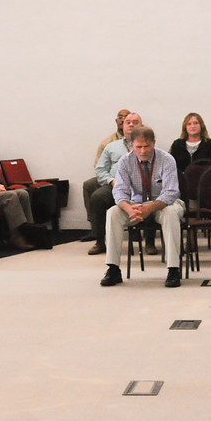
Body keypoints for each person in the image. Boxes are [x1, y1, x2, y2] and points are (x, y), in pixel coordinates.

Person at [100, 126, 186, 288]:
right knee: (113, 212)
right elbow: (119, 192)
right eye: (138, 147)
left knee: (170, 213)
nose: (143, 150)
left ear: (154, 143)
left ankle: (173, 269)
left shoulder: (166, 159)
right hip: (137, 205)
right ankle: (113, 268)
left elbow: (171, 193)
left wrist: (149, 208)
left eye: (146, 146)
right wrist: (129, 208)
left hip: (164, 204)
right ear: (132, 145)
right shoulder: (125, 161)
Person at [88, 112, 144, 255]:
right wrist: (112, 181)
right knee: (97, 197)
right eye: (128, 122)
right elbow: (100, 170)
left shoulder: (146, 145)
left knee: (152, 197)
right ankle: (100, 242)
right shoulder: (111, 146)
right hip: (115, 185)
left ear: (141, 126)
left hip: (141, 187)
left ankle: (149, 243)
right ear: (122, 126)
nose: (131, 124)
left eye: (135, 122)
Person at [82, 109, 130, 242]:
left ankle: (146, 239)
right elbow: (99, 166)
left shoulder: (142, 142)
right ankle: (96, 231)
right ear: (117, 121)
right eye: (120, 117)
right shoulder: (108, 143)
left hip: (134, 182)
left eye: (127, 118)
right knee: (90, 186)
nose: (123, 120)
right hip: (111, 179)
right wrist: (112, 181)